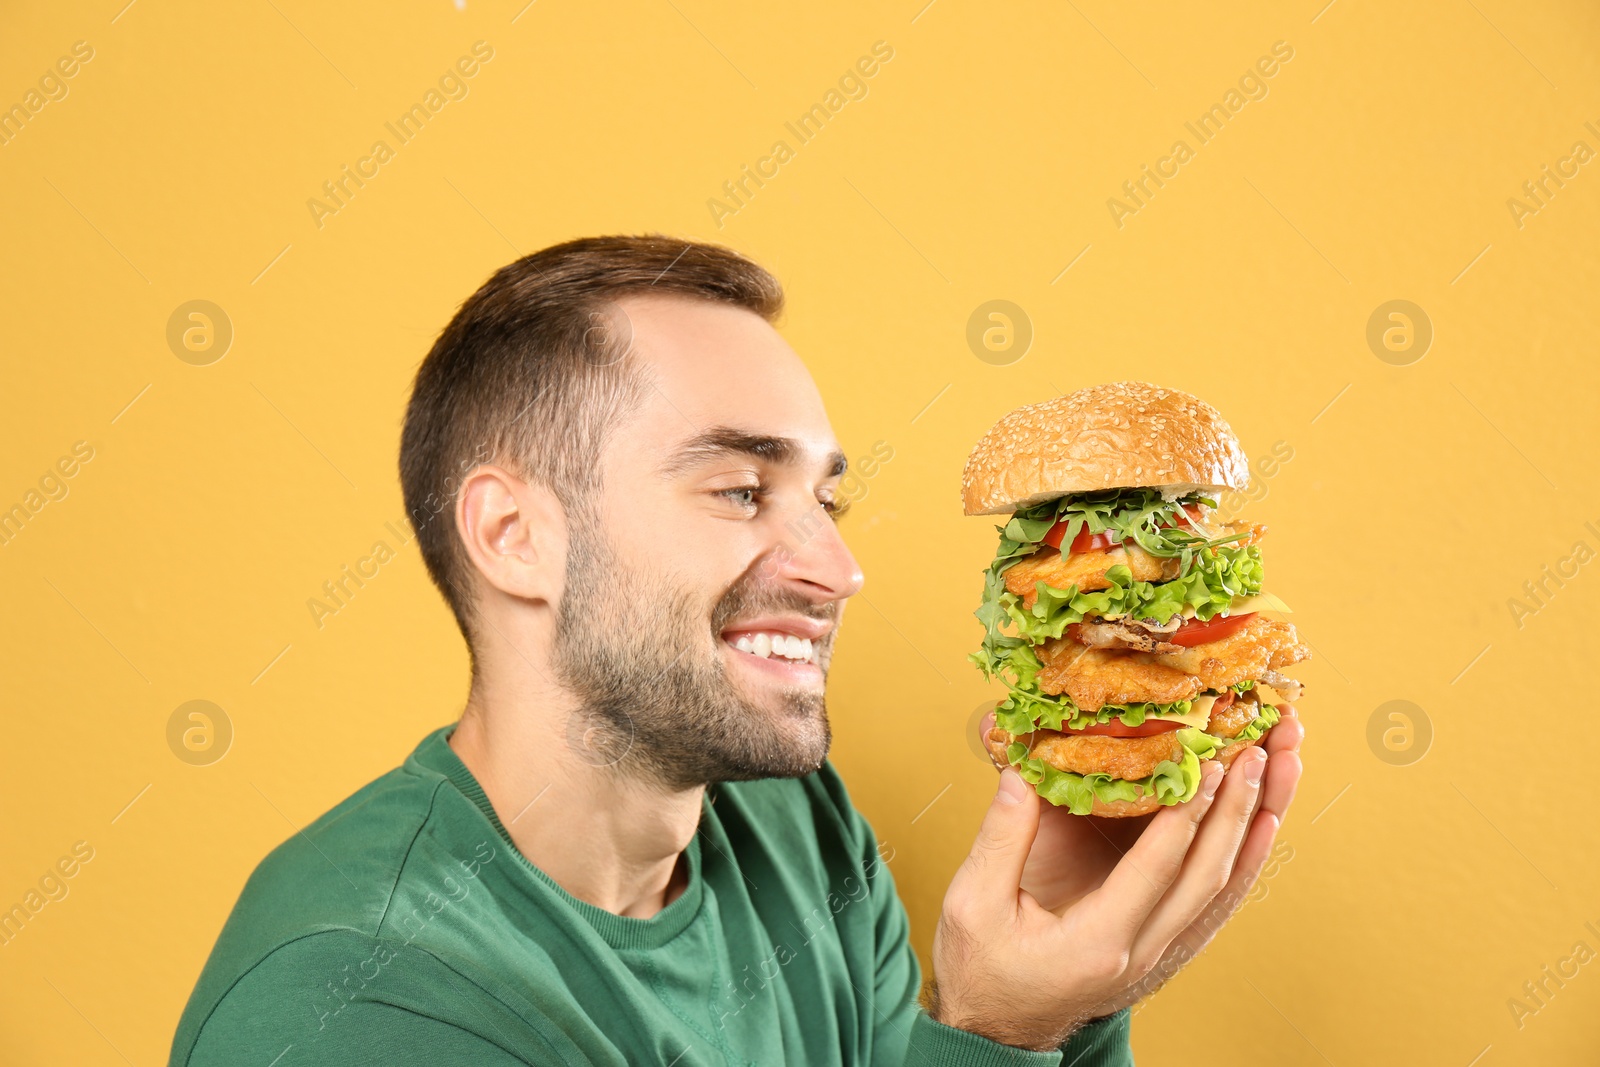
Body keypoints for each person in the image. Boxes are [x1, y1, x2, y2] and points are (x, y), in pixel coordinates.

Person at [168, 235, 1303, 1066]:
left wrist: (1062, 990)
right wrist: (991, 1031)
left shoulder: (794, 833)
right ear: (514, 537)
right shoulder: (352, 997)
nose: (836, 570)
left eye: (825, 500)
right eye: (740, 488)